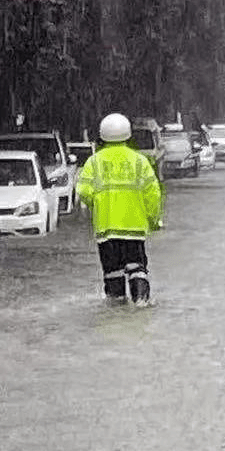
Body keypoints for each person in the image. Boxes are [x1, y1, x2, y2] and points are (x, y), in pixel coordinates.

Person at [76, 113, 162, 307]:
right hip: (134, 227)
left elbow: (83, 191)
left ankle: (116, 307)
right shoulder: (139, 161)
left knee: (112, 271)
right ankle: (141, 302)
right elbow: (153, 194)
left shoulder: (94, 162)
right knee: (137, 268)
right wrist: (153, 219)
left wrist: (96, 206)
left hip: (106, 228)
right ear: (128, 134)